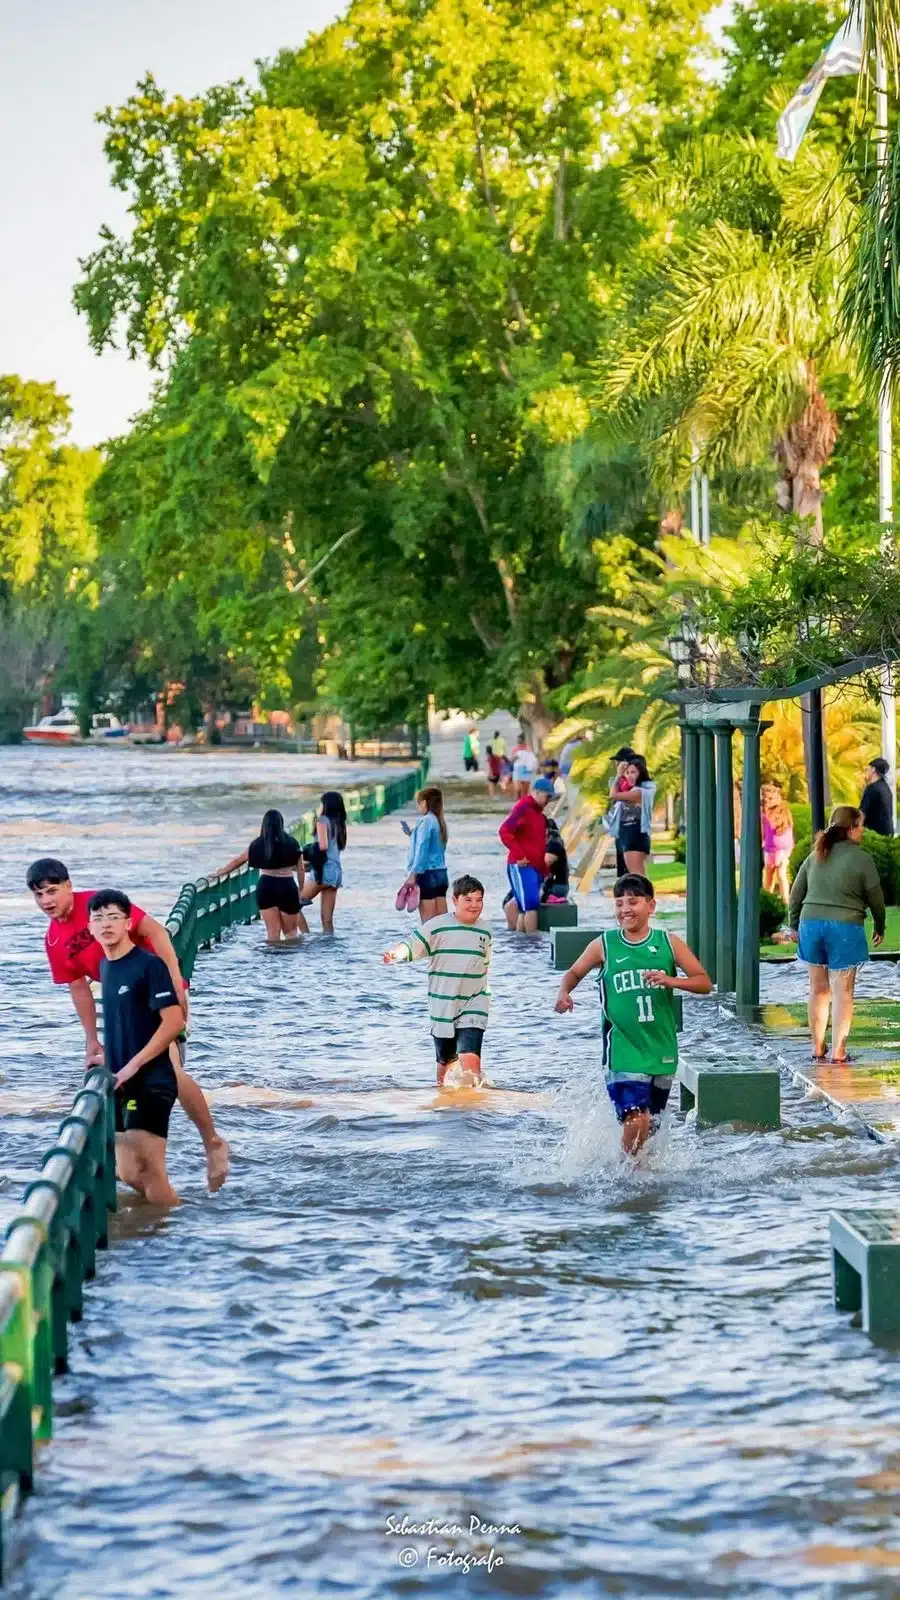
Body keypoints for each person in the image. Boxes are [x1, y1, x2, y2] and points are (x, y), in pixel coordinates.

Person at [27, 857, 229, 1192]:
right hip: (122, 1004)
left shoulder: (100, 906)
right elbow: (79, 989)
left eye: (52, 891)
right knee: (142, 1087)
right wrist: (92, 1041)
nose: (47, 900)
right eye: (39, 895)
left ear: (68, 886)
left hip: (155, 989)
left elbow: (156, 932)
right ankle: (154, 1188)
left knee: (171, 1072)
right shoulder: (53, 940)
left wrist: (177, 983)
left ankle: (211, 1142)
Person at [554, 873, 712, 1156]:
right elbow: (575, 972)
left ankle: (638, 1174)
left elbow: (703, 982)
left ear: (651, 906)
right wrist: (564, 992)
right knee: (635, 1119)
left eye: (633, 902)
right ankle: (626, 1177)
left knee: (649, 1126)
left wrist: (671, 981)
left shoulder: (668, 942)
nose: (625, 909)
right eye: (619, 903)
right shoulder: (604, 944)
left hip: (661, 1049)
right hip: (623, 1049)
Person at [88, 889, 185, 1206]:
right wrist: (106, 1056)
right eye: (98, 918)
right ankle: (168, 1220)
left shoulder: (149, 966)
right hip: (120, 1081)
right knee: (127, 1170)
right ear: (89, 927)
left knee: (149, 1169)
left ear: (129, 923)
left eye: (114, 917)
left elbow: (174, 1022)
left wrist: (135, 1064)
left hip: (151, 1080)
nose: (106, 924)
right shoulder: (105, 967)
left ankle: (173, 1240)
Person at [788, 806, 885, 1064]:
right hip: (844, 928)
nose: (862, 831)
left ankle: (817, 1048)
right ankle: (838, 1052)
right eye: (860, 825)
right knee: (843, 992)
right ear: (851, 828)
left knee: (818, 990)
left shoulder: (815, 855)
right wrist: (880, 925)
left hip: (811, 925)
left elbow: (796, 894)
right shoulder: (862, 859)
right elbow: (876, 898)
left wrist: (793, 925)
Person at [383, 874, 491, 1086]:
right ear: (455, 900)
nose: (474, 905)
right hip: (443, 1004)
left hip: (474, 1002)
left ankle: (475, 1112)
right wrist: (396, 954)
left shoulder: (485, 930)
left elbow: (485, 964)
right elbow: (413, 943)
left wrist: (487, 994)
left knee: (471, 1065)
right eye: (468, 900)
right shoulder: (438, 926)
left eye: (479, 900)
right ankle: (443, 1105)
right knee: (446, 1062)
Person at [215, 809, 307, 942]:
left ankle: (271, 962)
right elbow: (301, 869)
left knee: (272, 932)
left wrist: (221, 872)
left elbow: (238, 861)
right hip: (287, 887)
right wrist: (301, 889)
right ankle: (288, 962)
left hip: (265, 887)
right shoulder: (292, 843)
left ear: (264, 825)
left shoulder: (257, 844)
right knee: (291, 933)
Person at [498, 776, 555, 933]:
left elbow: (538, 844)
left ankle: (524, 947)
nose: (548, 800)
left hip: (534, 867)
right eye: (547, 796)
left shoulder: (539, 815)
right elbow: (505, 831)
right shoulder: (523, 808)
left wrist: (544, 870)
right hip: (522, 865)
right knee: (530, 906)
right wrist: (519, 855)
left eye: (551, 797)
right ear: (535, 792)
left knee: (526, 908)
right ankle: (533, 948)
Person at [299, 791, 347, 931]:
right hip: (336, 872)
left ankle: (305, 937)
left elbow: (323, 846)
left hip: (323, 870)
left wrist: (307, 853)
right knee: (327, 921)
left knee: (292, 905)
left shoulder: (322, 821)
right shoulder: (340, 824)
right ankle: (329, 951)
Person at [402, 786, 449, 921]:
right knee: (443, 922)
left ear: (424, 802)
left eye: (419, 803)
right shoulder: (440, 822)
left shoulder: (425, 820)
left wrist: (413, 874)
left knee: (428, 925)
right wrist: (413, 834)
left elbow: (422, 849)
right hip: (441, 874)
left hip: (427, 874)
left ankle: (430, 943)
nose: (418, 807)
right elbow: (437, 848)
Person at [607, 755, 656, 876]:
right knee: (637, 877)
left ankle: (646, 895)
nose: (629, 775)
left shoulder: (639, 792)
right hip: (628, 836)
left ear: (641, 773)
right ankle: (645, 895)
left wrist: (618, 775)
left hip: (634, 837)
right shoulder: (633, 790)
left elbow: (613, 795)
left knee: (637, 877)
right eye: (627, 772)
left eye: (633, 772)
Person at [761, 783, 795, 904]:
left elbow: (786, 828)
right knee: (769, 876)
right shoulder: (763, 813)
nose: (767, 801)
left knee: (781, 873)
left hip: (782, 849)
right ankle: (767, 900)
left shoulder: (783, 811)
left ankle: (786, 900)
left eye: (770, 798)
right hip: (769, 848)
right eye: (765, 799)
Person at [860, 757, 894, 837]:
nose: (866, 772)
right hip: (888, 833)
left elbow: (862, 814)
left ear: (873, 770)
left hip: (874, 835)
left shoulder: (871, 789)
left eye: (867, 769)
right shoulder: (886, 788)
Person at [542, 834, 570, 903]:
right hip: (560, 885)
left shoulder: (554, 846)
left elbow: (545, 864)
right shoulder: (555, 845)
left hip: (556, 886)